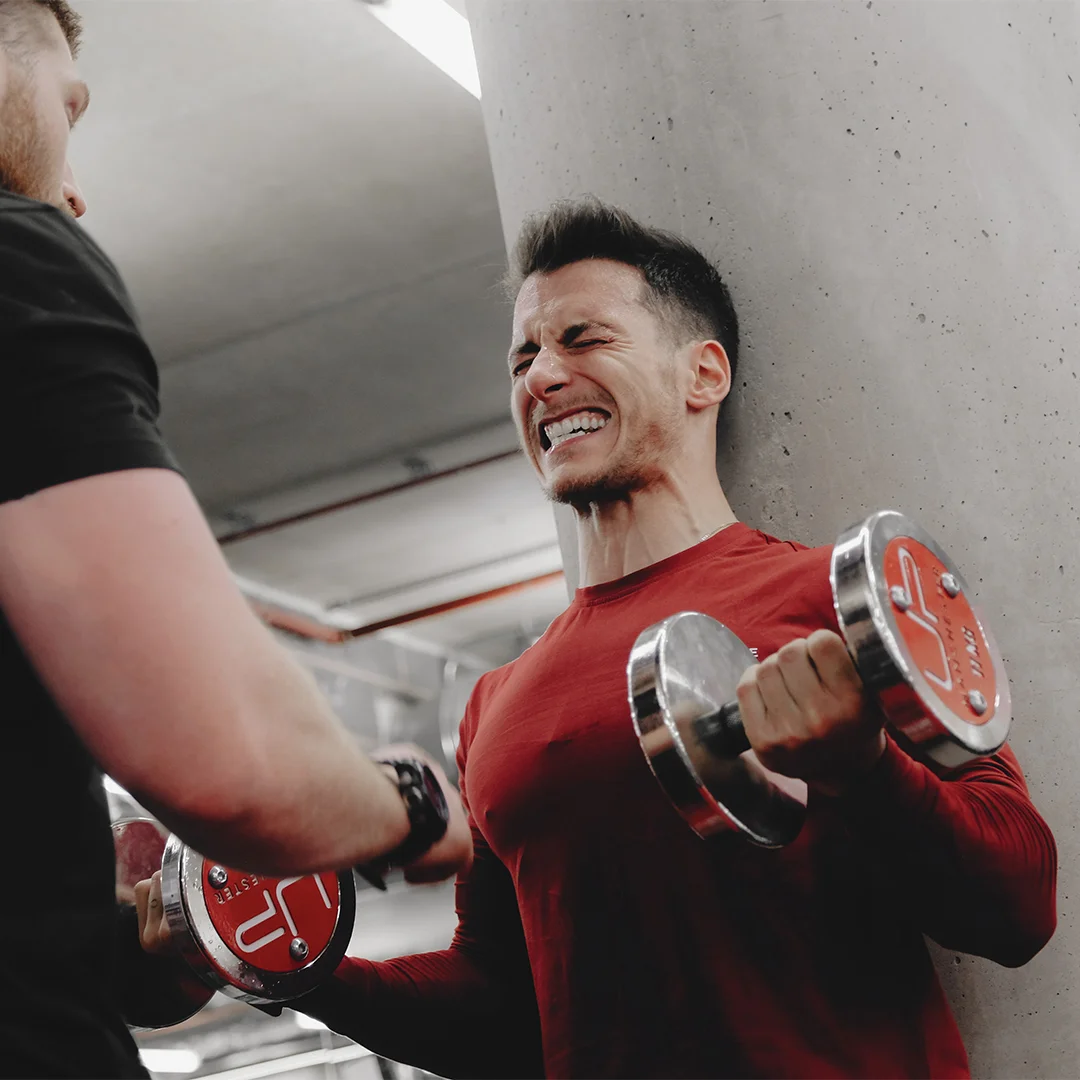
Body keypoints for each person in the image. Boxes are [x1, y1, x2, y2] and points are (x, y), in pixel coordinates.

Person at [142, 201, 1058, 1076]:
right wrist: (279, 962)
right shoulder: (496, 705)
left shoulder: (835, 595)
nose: (539, 377)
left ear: (704, 373)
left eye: (584, 339)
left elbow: (1021, 905)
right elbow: (504, 1019)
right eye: (523, 357)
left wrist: (864, 767)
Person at [0, 4, 471, 1077]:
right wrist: (406, 807)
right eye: (65, 108)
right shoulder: (20, 256)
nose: (76, 187)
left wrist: (120, 947)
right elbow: (235, 771)